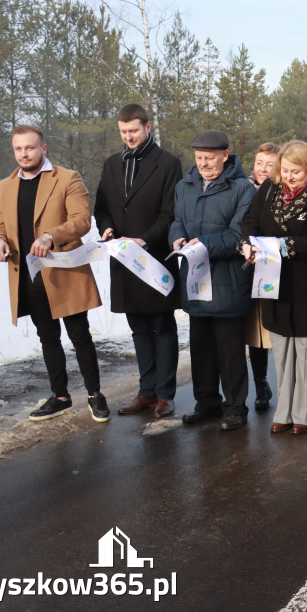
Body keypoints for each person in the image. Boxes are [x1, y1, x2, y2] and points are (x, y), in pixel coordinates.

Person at [0, 125, 108, 423]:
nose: (23, 153)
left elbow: (82, 220)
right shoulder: (6, 185)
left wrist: (49, 237)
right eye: (18, 149)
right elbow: (0, 224)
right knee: (47, 337)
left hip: (64, 270)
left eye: (29, 148)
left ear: (44, 149)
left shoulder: (67, 178)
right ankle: (60, 396)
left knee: (80, 335)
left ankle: (95, 395)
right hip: (28, 275)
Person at [95, 104, 183, 420]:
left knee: (162, 327)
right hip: (122, 261)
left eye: (134, 130)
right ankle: (146, 392)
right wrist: (105, 228)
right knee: (138, 330)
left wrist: (144, 240)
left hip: (155, 259)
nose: (129, 137)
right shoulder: (111, 165)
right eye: (123, 132)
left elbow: (170, 213)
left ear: (147, 126)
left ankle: (165, 395)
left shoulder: (168, 163)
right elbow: (101, 207)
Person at [241, 140, 307, 435]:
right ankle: (285, 410)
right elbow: (250, 222)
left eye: (296, 171)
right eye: (285, 170)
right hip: (273, 281)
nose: (289, 176)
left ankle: (306, 413)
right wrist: (246, 244)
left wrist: (282, 245)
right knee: (282, 352)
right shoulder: (269, 189)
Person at [169, 130, 255, 431]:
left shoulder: (243, 189)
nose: (203, 163)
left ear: (224, 156)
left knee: (230, 351)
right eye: (199, 158)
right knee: (200, 348)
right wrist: (177, 238)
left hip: (227, 281)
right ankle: (206, 402)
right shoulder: (184, 186)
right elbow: (176, 219)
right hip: (195, 279)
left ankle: (235, 406)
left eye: (209, 158)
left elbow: (237, 236)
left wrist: (200, 243)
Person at [244, 142, 280, 412]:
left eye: (269, 164)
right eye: (259, 163)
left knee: (276, 333)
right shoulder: (243, 190)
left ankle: (288, 388)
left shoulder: (283, 192)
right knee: (255, 334)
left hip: (278, 270)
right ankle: (261, 383)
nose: (263, 169)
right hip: (249, 272)